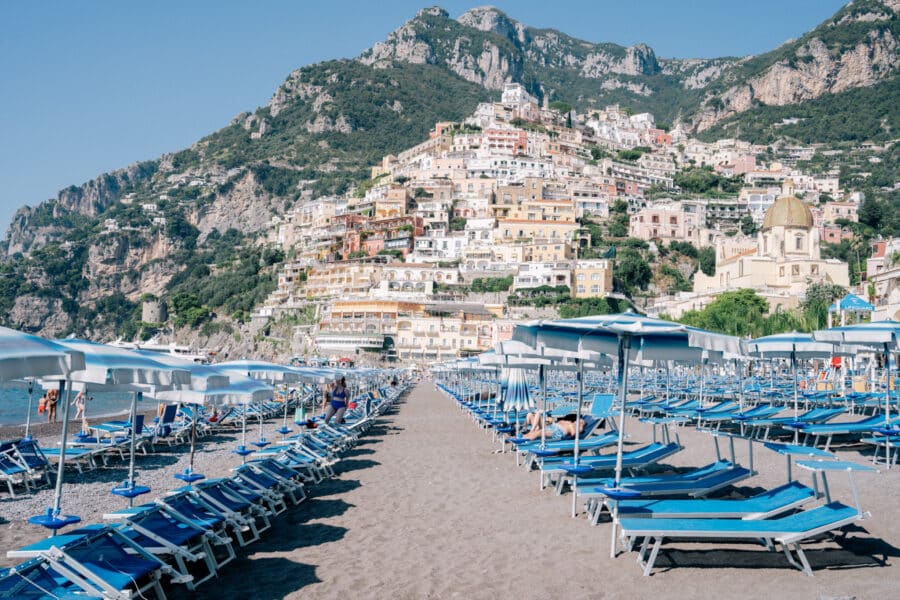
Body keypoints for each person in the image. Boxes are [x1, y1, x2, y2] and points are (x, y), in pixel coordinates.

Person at [520, 413, 585, 441]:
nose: (579, 421)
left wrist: (580, 425)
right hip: (553, 427)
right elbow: (556, 422)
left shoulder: (575, 428)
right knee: (538, 432)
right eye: (579, 420)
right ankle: (521, 438)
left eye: (581, 422)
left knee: (539, 433)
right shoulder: (569, 422)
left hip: (558, 431)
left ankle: (522, 439)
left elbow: (574, 434)